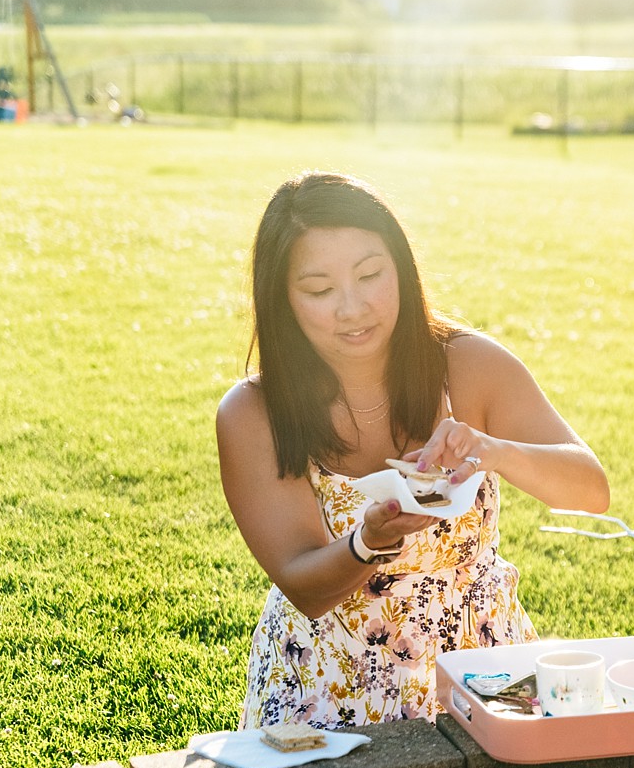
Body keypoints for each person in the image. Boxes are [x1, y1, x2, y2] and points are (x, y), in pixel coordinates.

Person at [216, 171, 610, 728]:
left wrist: (492, 449)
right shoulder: (253, 412)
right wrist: (367, 543)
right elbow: (303, 585)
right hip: (327, 682)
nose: (352, 307)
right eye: (320, 290)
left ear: (401, 267)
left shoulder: (469, 365)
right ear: (283, 301)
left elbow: (591, 489)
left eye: (370, 275)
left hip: (485, 669)